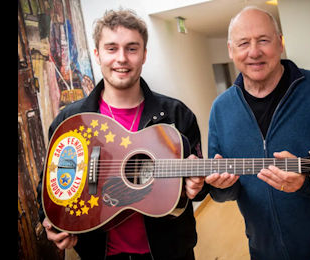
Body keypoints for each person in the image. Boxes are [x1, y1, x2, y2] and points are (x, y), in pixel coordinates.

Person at [37, 9, 207, 260]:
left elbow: (198, 188)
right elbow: (49, 184)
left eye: (131, 48)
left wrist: (198, 184)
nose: (122, 58)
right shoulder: (71, 121)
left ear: (144, 55)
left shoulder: (176, 115)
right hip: (100, 253)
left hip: (169, 252)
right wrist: (51, 221)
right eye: (111, 48)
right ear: (97, 54)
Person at [205, 6, 310, 260]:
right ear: (231, 50)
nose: (254, 52)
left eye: (263, 40)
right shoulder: (220, 109)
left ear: (280, 43)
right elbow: (223, 189)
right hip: (264, 252)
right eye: (244, 43)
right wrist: (222, 187)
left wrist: (306, 179)